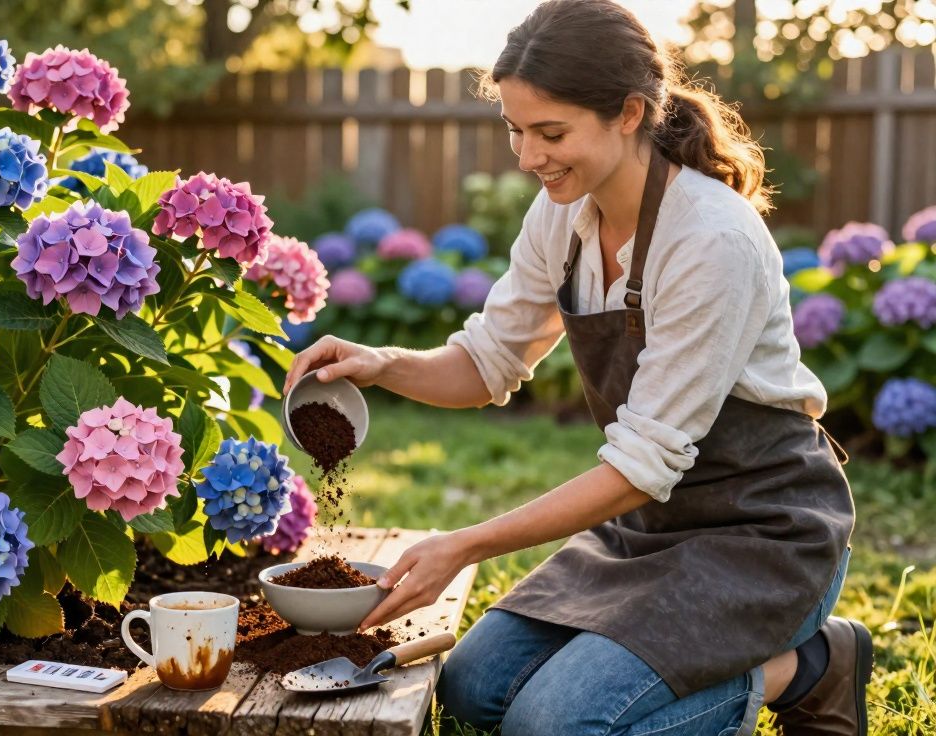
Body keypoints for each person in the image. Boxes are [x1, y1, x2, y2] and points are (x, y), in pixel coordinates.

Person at [281, 1, 867, 734]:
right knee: (472, 688)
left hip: (764, 536)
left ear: (628, 113)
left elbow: (641, 463)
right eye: (516, 131)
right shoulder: (564, 212)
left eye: (551, 133)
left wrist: (463, 546)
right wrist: (382, 364)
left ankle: (808, 666)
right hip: (647, 529)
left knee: (550, 725)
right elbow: (490, 360)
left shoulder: (711, 240)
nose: (528, 158)